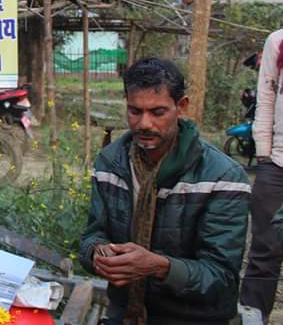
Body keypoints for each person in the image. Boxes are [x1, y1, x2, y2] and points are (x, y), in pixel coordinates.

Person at [80, 57, 250, 325]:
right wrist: (99, 254)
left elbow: (221, 278)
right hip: (125, 313)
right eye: (135, 111)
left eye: (158, 112)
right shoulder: (110, 163)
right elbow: (92, 235)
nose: (144, 123)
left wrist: (160, 267)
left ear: (181, 107)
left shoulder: (223, 177)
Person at [241, 28, 283, 320]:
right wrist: (264, 153)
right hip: (277, 163)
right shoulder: (278, 41)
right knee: (265, 248)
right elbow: (266, 95)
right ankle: (254, 316)